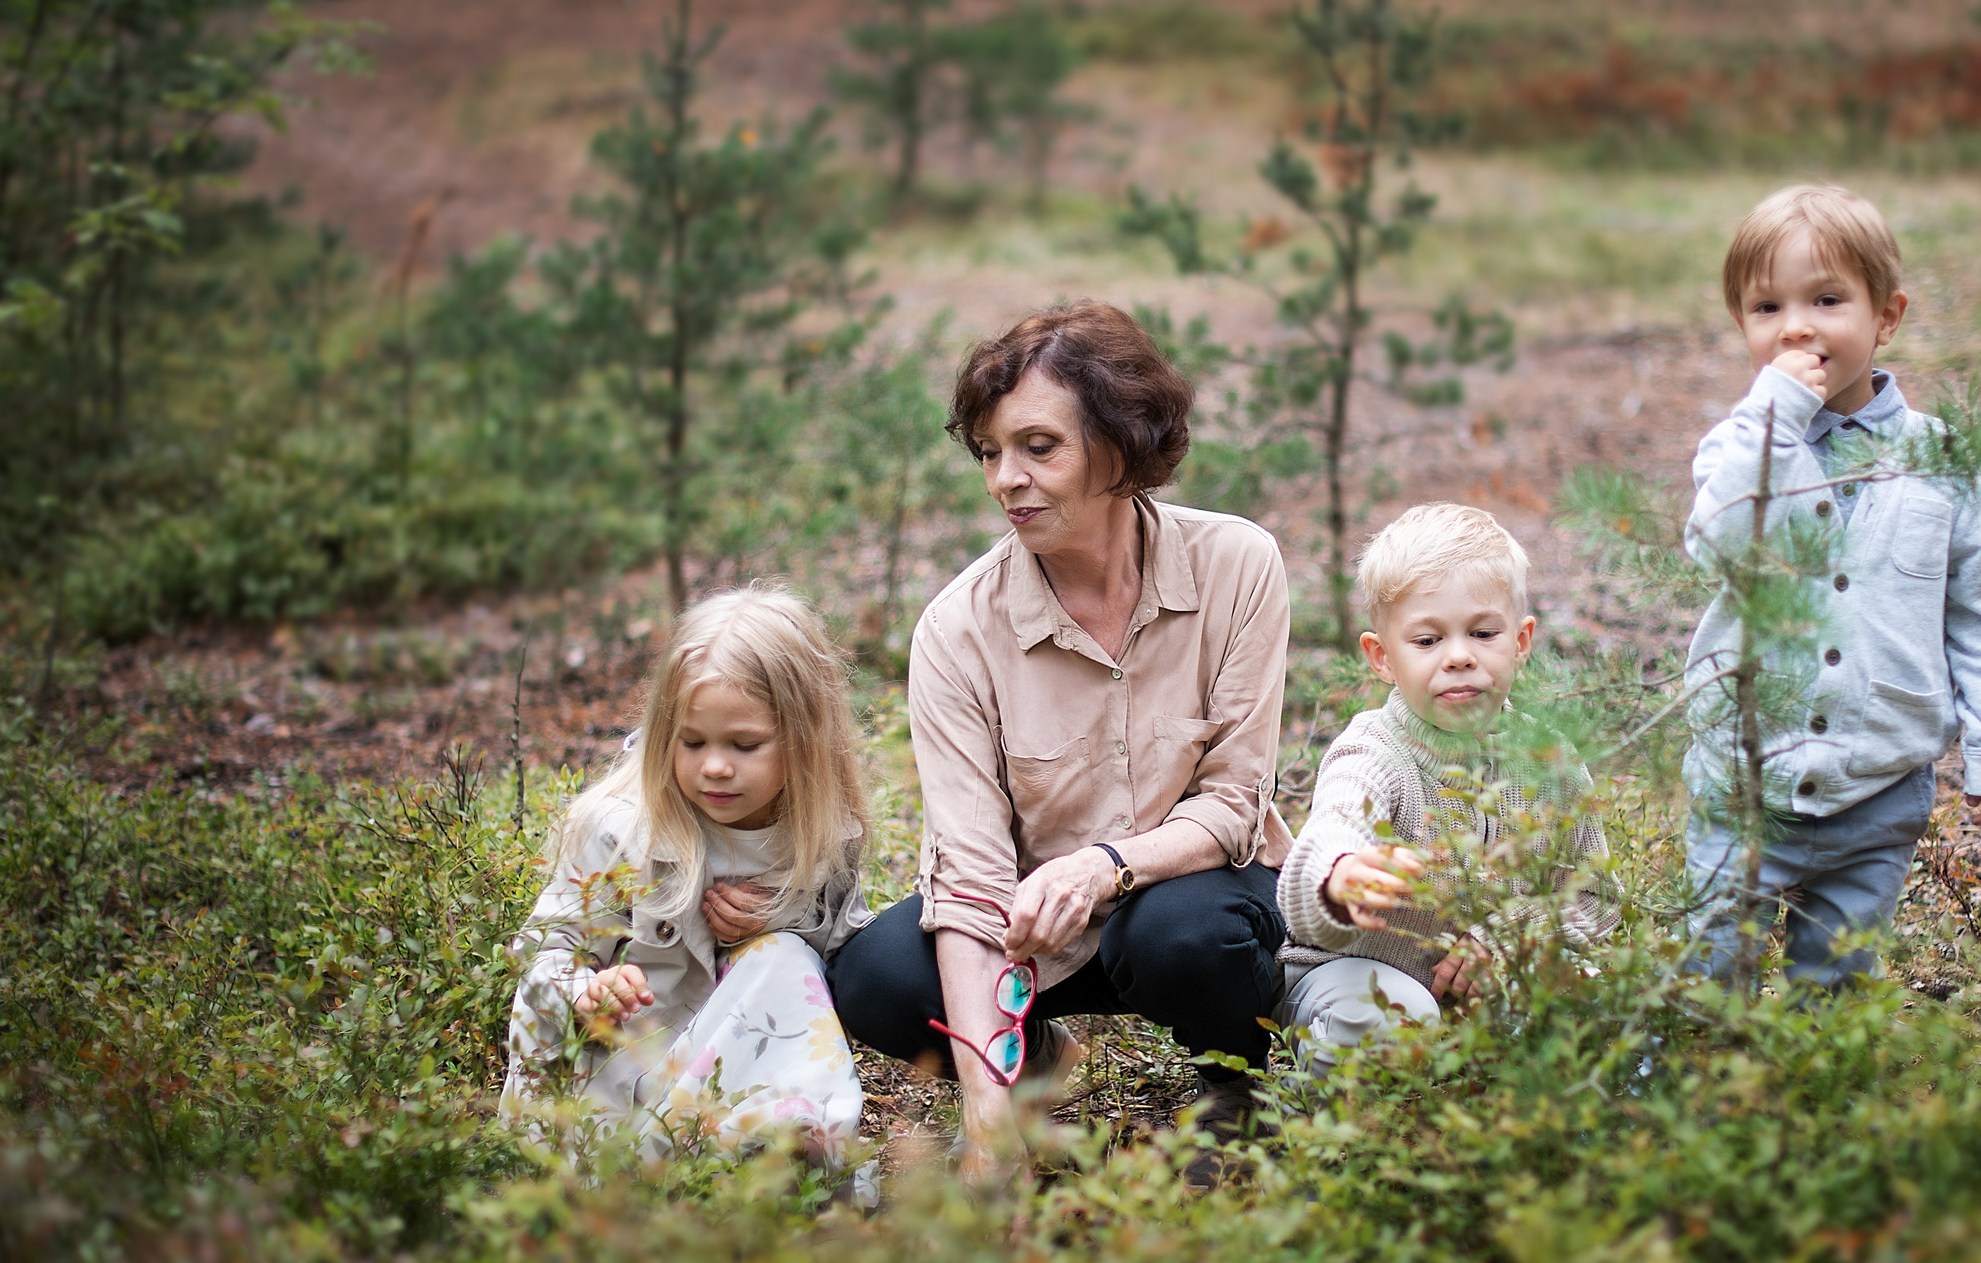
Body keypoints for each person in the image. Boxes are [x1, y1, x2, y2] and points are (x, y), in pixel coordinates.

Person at [825, 301, 1292, 1179]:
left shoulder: (1238, 565)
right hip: (1035, 936)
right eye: (992, 452)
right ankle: (1035, 1078)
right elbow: (969, 881)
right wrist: (988, 1108)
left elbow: (1234, 807)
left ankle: (1234, 1083)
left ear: (1121, 447)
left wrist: (1103, 866)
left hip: (1190, 901)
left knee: (1179, 934)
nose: (1006, 477)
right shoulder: (958, 630)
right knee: (877, 975)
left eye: (1039, 447)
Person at [1681, 183, 1981, 987]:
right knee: (1707, 974)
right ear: (1743, 326)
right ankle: (1684, 1091)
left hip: (1878, 790)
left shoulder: (1939, 457)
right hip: (1744, 782)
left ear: (1887, 317)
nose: (1796, 325)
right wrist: (1776, 414)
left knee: (1835, 981)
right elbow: (1716, 546)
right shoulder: (1735, 448)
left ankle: (1814, 1102)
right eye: (1766, 307)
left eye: (1827, 299)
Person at [502, 587, 872, 1165]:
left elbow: (846, 955)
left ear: (805, 739)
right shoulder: (622, 829)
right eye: (692, 742)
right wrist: (586, 990)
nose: (715, 766)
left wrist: (783, 919)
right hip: (619, 1080)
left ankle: (793, 1144)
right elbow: (542, 952)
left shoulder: (821, 832)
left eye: (744, 744)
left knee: (784, 958)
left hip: (726, 1073)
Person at [1276, 504, 1611, 1076]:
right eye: (1428, 640)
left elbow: (1592, 897)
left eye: (1483, 633)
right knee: (1386, 1022)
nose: (1459, 655)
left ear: (1521, 641)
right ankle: (1339, 1126)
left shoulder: (1550, 759)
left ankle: (1555, 1126)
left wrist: (1514, 934)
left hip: (1494, 973)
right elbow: (1331, 829)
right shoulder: (1374, 752)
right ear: (1382, 657)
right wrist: (1339, 878)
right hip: (1356, 977)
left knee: (1599, 998)